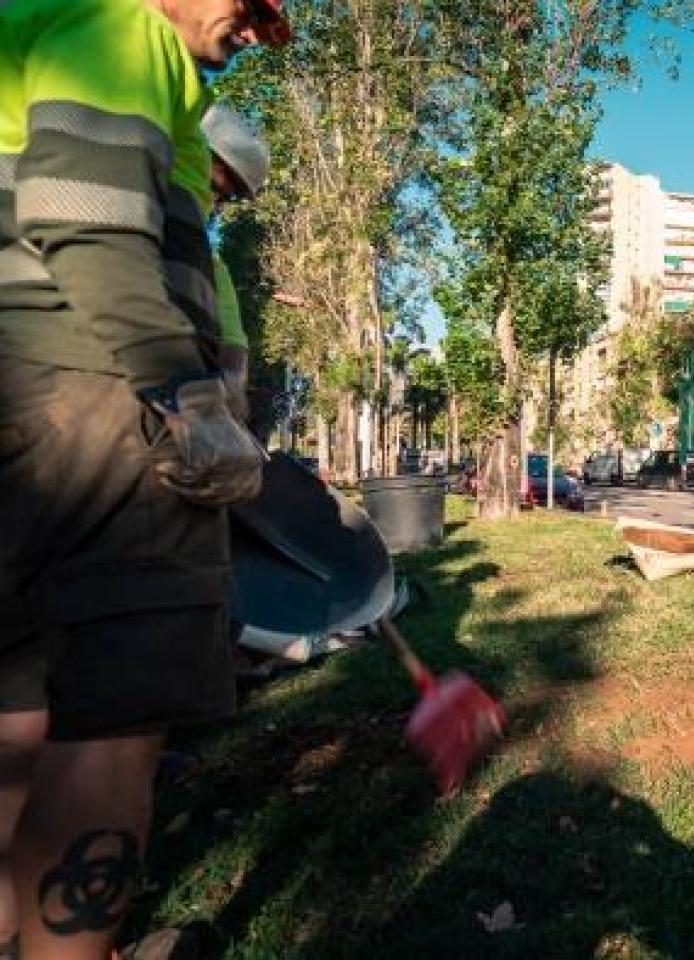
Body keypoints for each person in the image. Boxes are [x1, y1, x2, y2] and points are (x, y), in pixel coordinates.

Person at [0, 0, 290, 957]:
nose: (251, 30)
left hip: (26, 401)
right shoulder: (119, 25)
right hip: (93, 396)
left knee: (21, 711)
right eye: (250, 6)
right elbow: (83, 215)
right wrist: (185, 396)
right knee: (115, 723)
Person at [202, 101, 271, 427]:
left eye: (225, 197)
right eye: (215, 187)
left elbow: (233, 352)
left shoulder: (214, 270)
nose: (213, 204)